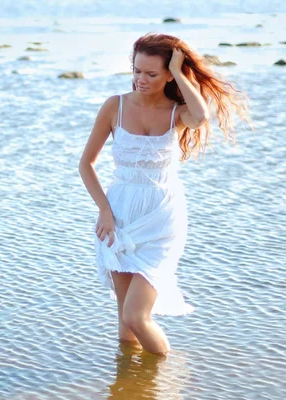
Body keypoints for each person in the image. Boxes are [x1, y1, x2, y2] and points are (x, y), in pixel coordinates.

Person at [78, 33, 249, 355]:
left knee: (137, 316)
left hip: (162, 217)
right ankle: (129, 383)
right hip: (118, 215)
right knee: (124, 320)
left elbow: (201, 118)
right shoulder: (114, 107)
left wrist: (181, 70)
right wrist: (104, 211)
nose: (140, 80)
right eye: (137, 71)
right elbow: (85, 164)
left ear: (169, 74)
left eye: (151, 73)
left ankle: (167, 380)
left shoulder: (178, 113)